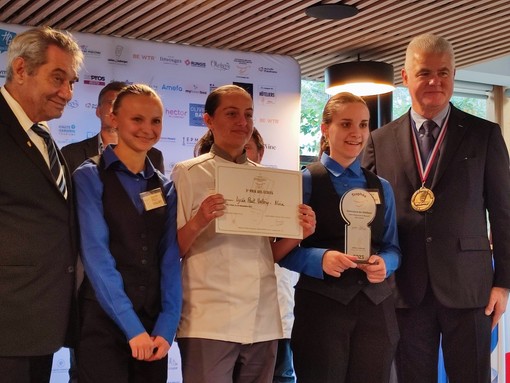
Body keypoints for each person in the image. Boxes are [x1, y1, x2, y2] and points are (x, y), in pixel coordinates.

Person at [361, 33, 510, 383]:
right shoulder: (379, 141)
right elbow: (367, 216)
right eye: (425, 72)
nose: (434, 81)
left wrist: (503, 283)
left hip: (470, 288)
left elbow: (504, 214)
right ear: (405, 77)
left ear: (454, 76)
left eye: (444, 72)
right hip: (403, 289)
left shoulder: (484, 134)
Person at [172, 84, 315, 383]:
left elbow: (268, 254)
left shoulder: (268, 179)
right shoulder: (188, 172)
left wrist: (299, 233)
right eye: (232, 114)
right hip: (209, 318)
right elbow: (174, 250)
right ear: (209, 120)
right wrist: (199, 220)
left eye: (248, 114)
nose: (242, 122)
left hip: (262, 317)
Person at [279, 92, 401, 383]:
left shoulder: (382, 187)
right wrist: (319, 258)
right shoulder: (303, 181)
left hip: (376, 310)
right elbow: (281, 251)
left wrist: (386, 263)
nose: (356, 133)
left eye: (363, 125)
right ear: (325, 128)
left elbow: (393, 247)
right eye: (346, 124)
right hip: (322, 309)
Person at [72, 84, 182, 382]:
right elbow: (97, 257)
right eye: (137, 119)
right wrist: (132, 328)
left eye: (156, 121)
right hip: (102, 322)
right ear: (114, 118)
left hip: (153, 325)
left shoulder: (166, 187)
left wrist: (167, 326)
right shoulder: (89, 176)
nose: (148, 129)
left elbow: (170, 259)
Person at [0, 26, 83, 383]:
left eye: (72, 81)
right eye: (58, 78)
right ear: (21, 70)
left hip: (41, 324)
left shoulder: (44, 136)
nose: (67, 92)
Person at [61, 81, 165, 174]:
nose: (114, 109)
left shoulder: (155, 156)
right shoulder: (71, 154)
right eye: (111, 103)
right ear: (98, 110)